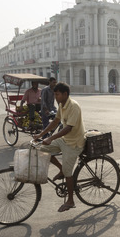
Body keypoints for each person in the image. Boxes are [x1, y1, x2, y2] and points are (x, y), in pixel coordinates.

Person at [34, 82, 86, 212]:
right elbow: (56, 121)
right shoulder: (61, 105)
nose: (55, 97)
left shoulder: (74, 106)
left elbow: (68, 128)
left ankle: (70, 201)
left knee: (69, 173)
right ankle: (61, 169)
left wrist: (51, 138)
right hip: (65, 139)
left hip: (75, 143)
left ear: (65, 94)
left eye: (57, 94)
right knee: (42, 149)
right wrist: (41, 134)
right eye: (55, 94)